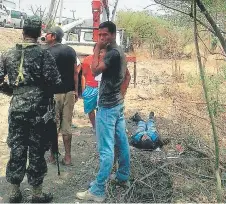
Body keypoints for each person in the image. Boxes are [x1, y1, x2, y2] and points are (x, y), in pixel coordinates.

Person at [0, 16, 62, 203]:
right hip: (39, 110)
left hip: (17, 107)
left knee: (17, 148)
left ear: (23, 31)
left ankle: (14, 192)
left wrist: (14, 92)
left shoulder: (8, 53)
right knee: (36, 149)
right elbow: (55, 82)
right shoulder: (44, 55)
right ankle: (36, 193)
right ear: (39, 34)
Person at [76, 21, 131, 202]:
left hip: (108, 106)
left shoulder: (113, 53)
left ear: (113, 34)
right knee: (121, 142)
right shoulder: (119, 51)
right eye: (100, 36)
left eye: (105, 35)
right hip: (116, 104)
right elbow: (126, 75)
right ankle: (123, 176)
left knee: (105, 149)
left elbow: (93, 70)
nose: (102, 38)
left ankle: (98, 190)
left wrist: (97, 48)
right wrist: (121, 96)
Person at [45, 26, 79, 166]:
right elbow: (75, 73)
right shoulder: (71, 50)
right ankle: (68, 157)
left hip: (54, 94)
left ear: (53, 36)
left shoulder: (47, 52)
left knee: (53, 125)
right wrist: (76, 91)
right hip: (70, 93)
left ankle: (53, 157)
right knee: (67, 125)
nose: (45, 36)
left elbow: (45, 76)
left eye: (47, 34)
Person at [81, 46, 106, 130]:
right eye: (98, 50)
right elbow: (83, 75)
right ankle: (94, 126)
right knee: (90, 109)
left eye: (101, 51)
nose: (99, 53)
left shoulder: (106, 61)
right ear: (93, 50)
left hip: (103, 88)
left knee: (102, 109)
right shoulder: (87, 59)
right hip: (90, 87)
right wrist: (83, 89)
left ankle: (101, 127)